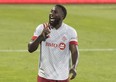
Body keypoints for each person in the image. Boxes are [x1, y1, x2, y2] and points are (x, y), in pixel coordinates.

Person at [28, 4, 79, 82]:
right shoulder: (42, 28)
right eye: (51, 11)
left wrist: (74, 66)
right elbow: (30, 49)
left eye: (55, 12)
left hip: (63, 77)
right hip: (44, 77)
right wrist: (40, 37)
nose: (52, 14)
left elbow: (74, 51)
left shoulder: (70, 32)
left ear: (62, 17)